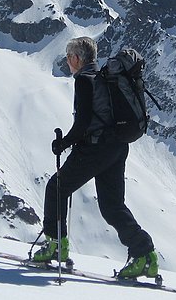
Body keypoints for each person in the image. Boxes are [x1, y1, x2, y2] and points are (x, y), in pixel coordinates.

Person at [31, 36, 159, 279]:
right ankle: (145, 255)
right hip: (117, 147)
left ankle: (56, 246)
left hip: (96, 148)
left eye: (69, 58)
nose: (68, 63)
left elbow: (83, 123)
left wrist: (63, 143)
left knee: (56, 187)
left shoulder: (84, 81)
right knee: (112, 206)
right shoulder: (102, 78)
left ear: (77, 59)